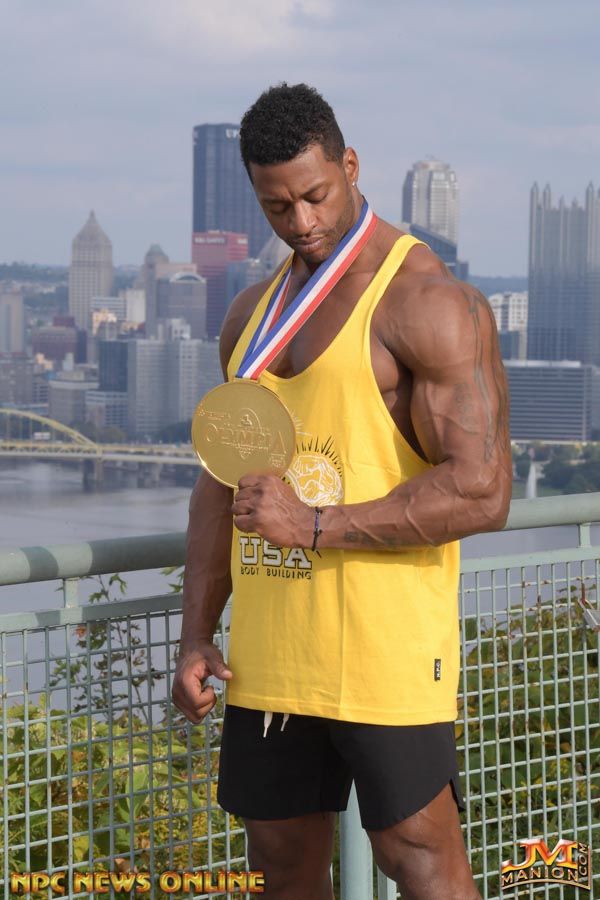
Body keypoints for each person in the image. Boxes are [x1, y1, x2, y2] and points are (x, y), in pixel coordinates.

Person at [172, 83, 511, 900]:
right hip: (270, 655)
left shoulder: (426, 300)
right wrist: (195, 635)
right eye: (277, 206)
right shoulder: (249, 317)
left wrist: (316, 525)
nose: (302, 221)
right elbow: (220, 485)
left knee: (417, 856)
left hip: (383, 648)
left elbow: (483, 491)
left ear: (350, 166)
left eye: (316, 196)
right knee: (280, 860)